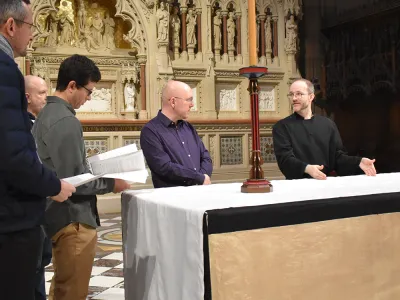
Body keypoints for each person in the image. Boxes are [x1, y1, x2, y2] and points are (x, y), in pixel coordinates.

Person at [32, 54, 130, 300]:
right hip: (72, 219)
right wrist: (112, 183)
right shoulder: (64, 120)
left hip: (60, 215)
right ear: (72, 85)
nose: (89, 98)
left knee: (63, 286)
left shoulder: (47, 113)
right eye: (88, 91)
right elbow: (74, 179)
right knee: (72, 291)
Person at [0, 1, 75, 299]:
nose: (33, 35)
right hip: (10, 220)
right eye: (31, 26)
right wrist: (53, 185)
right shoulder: (5, 69)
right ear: (10, 26)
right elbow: (12, 153)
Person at [272, 78, 376, 180]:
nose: (294, 98)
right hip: (298, 186)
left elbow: (338, 158)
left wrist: (358, 162)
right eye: (291, 94)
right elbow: (285, 160)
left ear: (311, 97)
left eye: (299, 94)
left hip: (326, 184)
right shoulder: (281, 127)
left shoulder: (328, 124)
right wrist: (307, 168)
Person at [140, 80, 213, 188]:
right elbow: (164, 167)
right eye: (189, 100)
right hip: (173, 198)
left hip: (199, 193)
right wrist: (199, 178)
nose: (192, 105)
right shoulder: (150, 131)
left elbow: (205, 157)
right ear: (173, 102)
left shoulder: (188, 128)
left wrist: (203, 178)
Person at [25, 75, 53, 300]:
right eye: (42, 93)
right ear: (27, 97)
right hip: (26, 212)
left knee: (40, 266)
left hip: (39, 210)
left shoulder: (38, 123)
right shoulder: (22, 127)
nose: (47, 97)